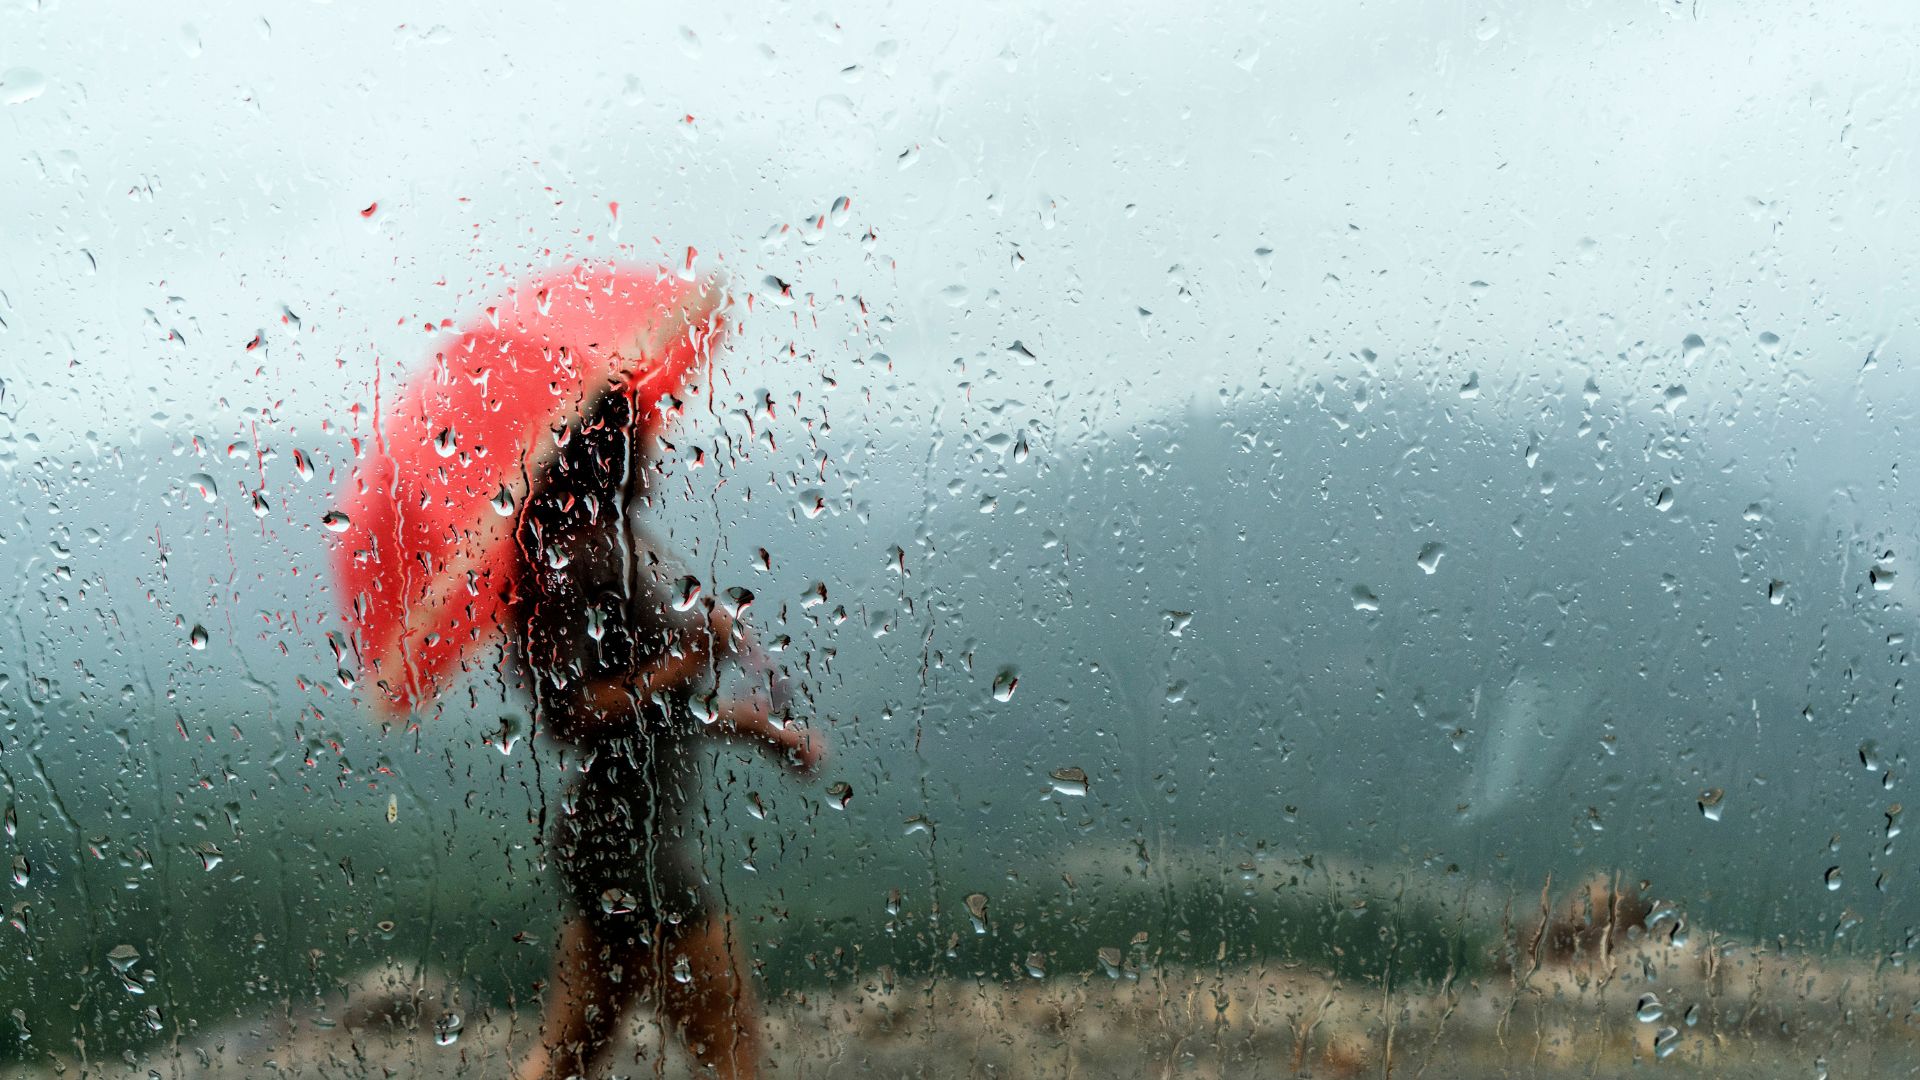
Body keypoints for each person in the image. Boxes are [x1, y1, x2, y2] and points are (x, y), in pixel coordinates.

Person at [508, 386, 824, 1080]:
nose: (655, 458)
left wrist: (764, 731)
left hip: (633, 832)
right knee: (727, 1033)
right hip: (624, 841)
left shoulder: (622, 545)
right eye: (642, 446)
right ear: (608, 458)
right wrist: (688, 658)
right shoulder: (570, 558)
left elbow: (669, 712)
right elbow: (571, 713)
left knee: (577, 1048)